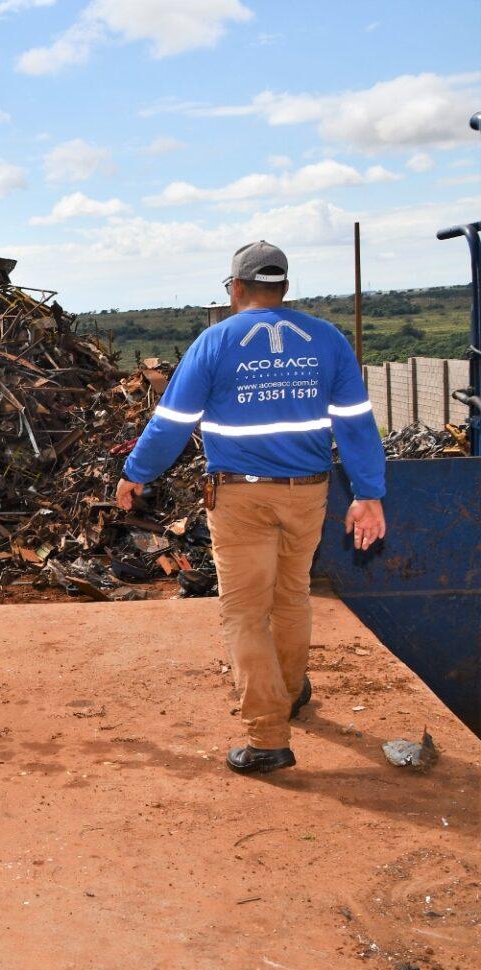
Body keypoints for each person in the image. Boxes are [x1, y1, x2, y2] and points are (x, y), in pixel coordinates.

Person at [115, 241, 387, 775]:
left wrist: (136, 473)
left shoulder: (216, 341)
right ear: (283, 287)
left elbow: (172, 423)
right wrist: (368, 493)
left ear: (236, 288)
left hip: (240, 497)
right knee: (292, 597)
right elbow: (356, 423)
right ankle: (288, 689)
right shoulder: (327, 339)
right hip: (308, 492)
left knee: (245, 612)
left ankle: (267, 737)